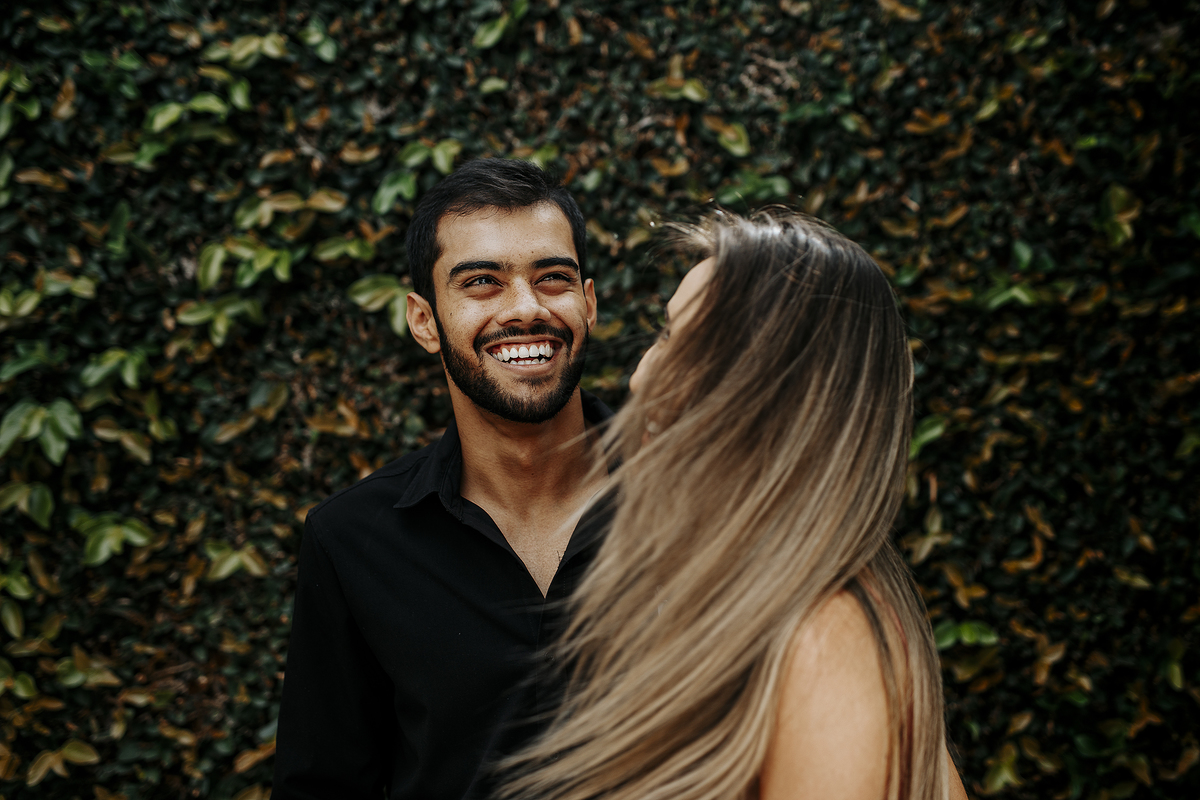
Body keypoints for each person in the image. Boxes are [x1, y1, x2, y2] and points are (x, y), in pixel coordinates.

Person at [498, 209, 968, 800]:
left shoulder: (825, 641)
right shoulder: (744, 601)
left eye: (694, 349)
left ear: (784, 393)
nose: (644, 379)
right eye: (664, 336)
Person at [272, 158, 610, 800]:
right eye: (482, 282)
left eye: (553, 278)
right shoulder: (352, 541)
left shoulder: (696, 497)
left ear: (588, 303)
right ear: (424, 321)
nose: (527, 308)